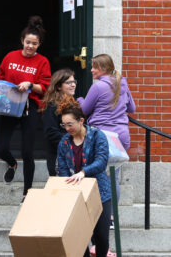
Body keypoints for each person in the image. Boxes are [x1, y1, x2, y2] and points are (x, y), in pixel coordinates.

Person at [0, 15, 51, 200]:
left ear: (39, 45)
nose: (30, 46)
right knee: (2, 146)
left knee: (28, 151)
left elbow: (44, 88)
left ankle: (27, 192)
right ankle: (12, 164)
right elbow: (2, 77)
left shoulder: (42, 62)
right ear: (22, 41)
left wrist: (29, 84)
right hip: (8, 105)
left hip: (29, 108)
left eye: (35, 44)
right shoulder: (10, 57)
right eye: (28, 42)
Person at [56, 96, 114, 257]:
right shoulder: (64, 142)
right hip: (76, 194)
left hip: (99, 192)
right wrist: (68, 181)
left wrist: (83, 172)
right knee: (79, 238)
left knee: (101, 237)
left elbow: (101, 162)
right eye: (64, 125)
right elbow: (62, 168)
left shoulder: (97, 136)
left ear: (81, 120)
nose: (67, 128)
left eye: (70, 124)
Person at [77, 54, 136, 151]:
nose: (91, 70)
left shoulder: (98, 86)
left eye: (94, 67)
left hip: (103, 134)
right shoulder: (122, 83)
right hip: (122, 135)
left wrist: (80, 100)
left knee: (99, 165)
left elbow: (85, 110)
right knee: (114, 165)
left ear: (103, 69)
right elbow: (132, 108)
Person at [40, 68, 77, 176]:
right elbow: (51, 133)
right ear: (59, 86)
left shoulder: (74, 104)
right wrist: (73, 142)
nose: (73, 85)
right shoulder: (51, 106)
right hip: (59, 158)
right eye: (68, 82)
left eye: (74, 82)